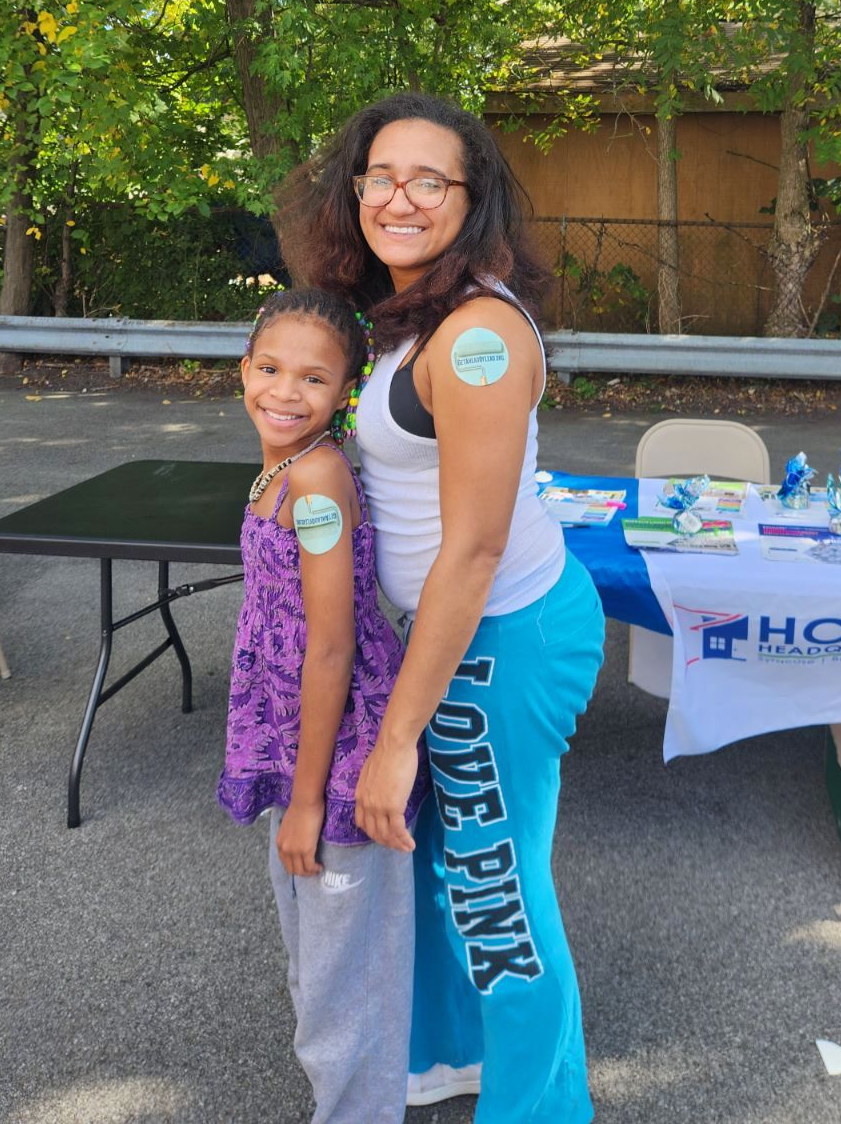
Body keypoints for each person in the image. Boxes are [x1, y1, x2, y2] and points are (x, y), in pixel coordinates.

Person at [276, 92, 606, 1123]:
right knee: (445, 874)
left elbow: (473, 549)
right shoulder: (410, 312)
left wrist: (399, 735)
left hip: (500, 635)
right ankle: (450, 1060)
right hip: (447, 638)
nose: (401, 197)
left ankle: (543, 1107)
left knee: (498, 893)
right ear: (356, 190)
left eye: (431, 179)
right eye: (382, 175)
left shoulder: (478, 336)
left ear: (474, 199)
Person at [217, 287, 431, 1124]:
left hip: (338, 752)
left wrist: (307, 801)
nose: (283, 391)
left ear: (345, 392)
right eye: (268, 368)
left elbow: (332, 646)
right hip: (296, 731)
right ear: (243, 371)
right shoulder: (284, 463)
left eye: (312, 378)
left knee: (345, 972)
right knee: (318, 951)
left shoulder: (313, 481)